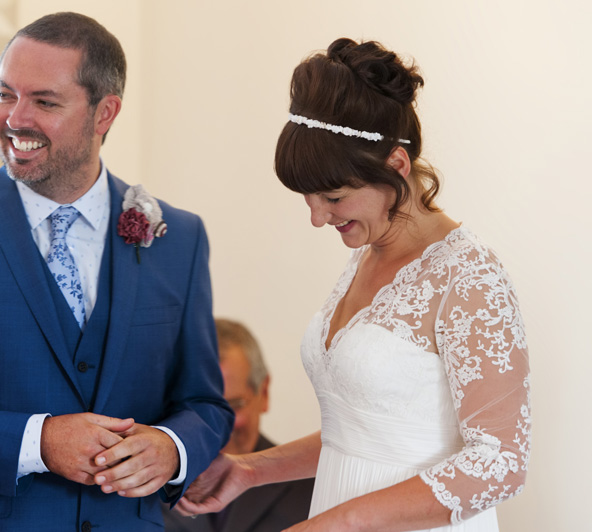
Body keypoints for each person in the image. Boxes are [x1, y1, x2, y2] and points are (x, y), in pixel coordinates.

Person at [0, 12, 233, 532]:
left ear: (105, 114)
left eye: (44, 101)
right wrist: (38, 442)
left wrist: (172, 447)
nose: (14, 118)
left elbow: (205, 404)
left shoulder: (178, 238)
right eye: (4, 94)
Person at [176, 38, 530, 532]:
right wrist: (251, 469)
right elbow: (362, 436)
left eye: (333, 197)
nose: (318, 218)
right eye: (308, 199)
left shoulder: (469, 277)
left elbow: (500, 463)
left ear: (396, 166)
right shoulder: (368, 254)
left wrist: (337, 524)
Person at [162, 318, 315, 532]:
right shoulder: (142, 486)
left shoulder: (312, 489)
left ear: (263, 392)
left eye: (233, 405)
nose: (215, 428)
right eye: (196, 409)